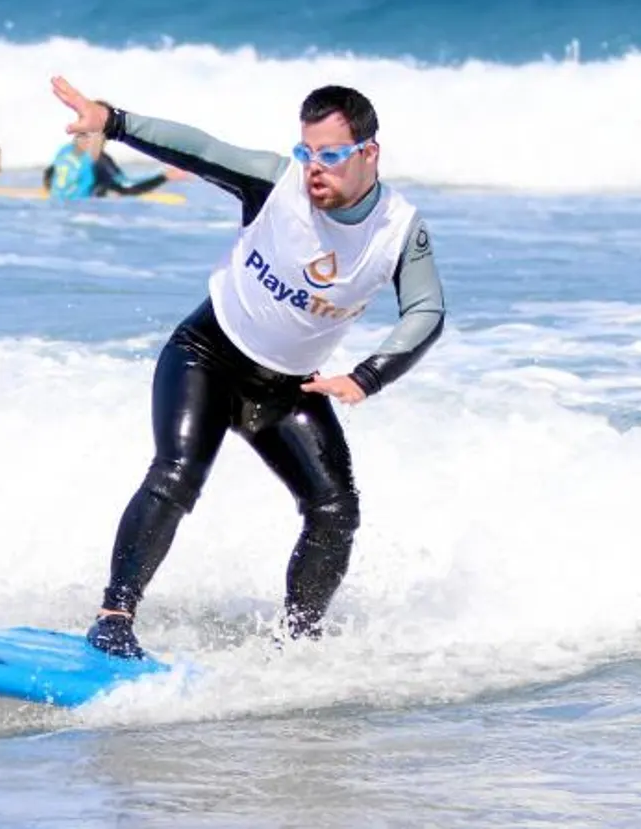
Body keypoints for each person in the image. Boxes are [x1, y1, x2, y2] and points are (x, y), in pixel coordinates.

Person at [48, 75, 446, 659]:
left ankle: (295, 645)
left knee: (336, 510)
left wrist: (366, 376)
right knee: (177, 475)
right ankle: (114, 617)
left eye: (331, 155)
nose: (315, 168)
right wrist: (114, 122)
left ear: (369, 153)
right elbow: (202, 149)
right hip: (205, 357)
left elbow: (428, 310)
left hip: (287, 387)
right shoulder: (275, 183)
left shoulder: (398, 230)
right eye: (306, 152)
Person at [43, 130, 177, 199]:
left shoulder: (65, 150)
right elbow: (127, 188)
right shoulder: (98, 160)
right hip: (83, 211)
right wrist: (165, 177)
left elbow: (48, 174)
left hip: (58, 207)